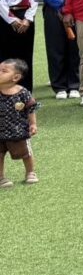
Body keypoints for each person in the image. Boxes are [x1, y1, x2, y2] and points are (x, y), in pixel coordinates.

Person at [40, 0, 82, 100]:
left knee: (76, 49)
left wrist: (71, 9)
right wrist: (63, 8)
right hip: (54, 12)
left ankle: (74, 85)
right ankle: (59, 87)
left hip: (78, 12)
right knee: (55, 49)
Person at [0, 0, 40, 91]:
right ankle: (5, 90)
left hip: (26, 19)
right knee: (6, 55)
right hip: (5, 19)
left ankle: (25, 91)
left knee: (25, 55)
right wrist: (12, 19)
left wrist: (28, 19)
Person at [0, 59, 38, 187]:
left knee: (26, 153)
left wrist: (33, 124)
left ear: (15, 77)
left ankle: (30, 172)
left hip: (18, 130)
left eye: (3, 71)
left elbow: (31, 109)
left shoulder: (23, 93)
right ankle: (1, 177)